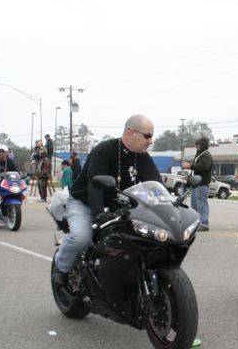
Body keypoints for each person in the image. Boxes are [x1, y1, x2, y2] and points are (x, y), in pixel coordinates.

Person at [53, 114, 161, 285]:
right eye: (147, 136)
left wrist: (167, 204)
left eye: (151, 136)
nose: (151, 141)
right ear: (131, 132)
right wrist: (98, 213)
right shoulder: (104, 151)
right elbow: (94, 185)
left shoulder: (143, 157)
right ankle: (61, 266)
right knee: (82, 237)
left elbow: (155, 185)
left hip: (117, 205)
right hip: (85, 202)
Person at [182, 137, 213, 231]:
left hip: (202, 184)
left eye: (198, 144)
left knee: (201, 204)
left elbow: (203, 167)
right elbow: (197, 170)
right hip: (196, 184)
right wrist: (190, 177)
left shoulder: (207, 155)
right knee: (194, 204)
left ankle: (204, 223)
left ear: (203, 144)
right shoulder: (200, 155)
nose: (197, 146)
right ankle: (196, 222)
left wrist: (190, 166)